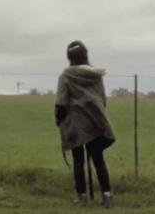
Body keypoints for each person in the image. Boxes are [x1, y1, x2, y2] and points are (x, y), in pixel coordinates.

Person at [55, 40, 116, 208]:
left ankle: (81, 197)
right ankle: (107, 195)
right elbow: (102, 99)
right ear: (85, 56)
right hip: (95, 121)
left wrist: (59, 120)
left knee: (78, 161)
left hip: (75, 124)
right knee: (98, 159)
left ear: (69, 58)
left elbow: (61, 103)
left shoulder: (65, 76)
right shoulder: (96, 75)